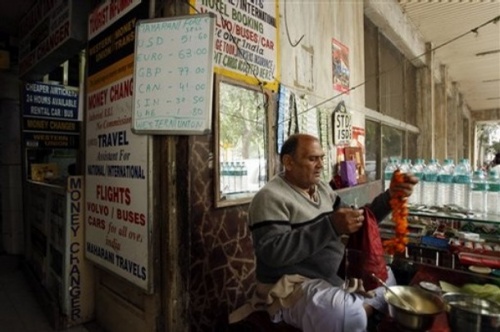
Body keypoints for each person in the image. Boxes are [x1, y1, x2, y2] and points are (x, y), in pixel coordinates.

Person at [240, 133, 418, 332]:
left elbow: (356, 220)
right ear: (288, 162)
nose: (320, 165)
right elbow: (272, 253)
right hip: (290, 286)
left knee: (387, 277)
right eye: (312, 159)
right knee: (349, 313)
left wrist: (389, 197)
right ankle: (359, 313)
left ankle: (363, 315)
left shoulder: (323, 189)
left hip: (331, 277)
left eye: (322, 158)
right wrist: (330, 226)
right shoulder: (270, 197)